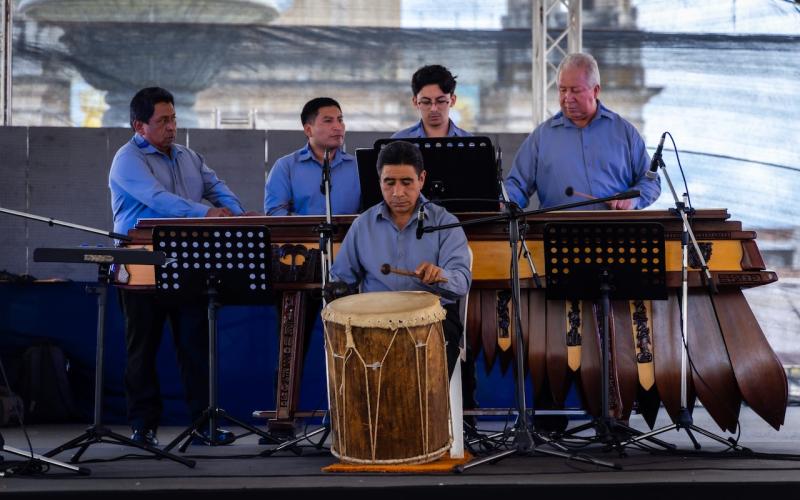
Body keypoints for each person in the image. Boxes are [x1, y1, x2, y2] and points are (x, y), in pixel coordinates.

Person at [109, 86, 255, 447]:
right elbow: (157, 200)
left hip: (187, 260)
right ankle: (143, 427)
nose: (172, 126)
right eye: (162, 121)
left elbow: (216, 186)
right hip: (140, 263)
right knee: (141, 349)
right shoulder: (127, 159)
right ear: (139, 126)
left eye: (173, 118)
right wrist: (205, 213)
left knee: (195, 344)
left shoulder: (189, 156)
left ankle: (204, 423)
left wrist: (236, 215)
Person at [330, 140, 471, 377]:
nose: (397, 192)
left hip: (433, 320)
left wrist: (440, 276)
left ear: (422, 179)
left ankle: (427, 415)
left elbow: (462, 281)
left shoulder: (444, 222)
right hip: (373, 322)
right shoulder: (362, 225)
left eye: (407, 182)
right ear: (379, 181)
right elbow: (342, 279)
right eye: (389, 183)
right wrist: (335, 292)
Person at [504, 52, 661, 210]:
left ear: (595, 91)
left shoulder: (624, 132)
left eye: (575, 90)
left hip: (616, 230)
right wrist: (504, 202)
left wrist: (631, 200)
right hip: (558, 231)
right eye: (562, 90)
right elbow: (516, 185)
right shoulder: (541, 137)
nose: (567, 97)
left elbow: (651, 182)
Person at [264, 97, 361, 215]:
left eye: (340, 120)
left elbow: (371, 212)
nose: (338, 127)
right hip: (300, 233)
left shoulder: (358, 167)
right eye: (328, 121)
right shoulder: (286, 167)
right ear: (308, 130)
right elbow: (275, 212)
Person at [392, 65, 471, 139]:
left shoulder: (470, 143)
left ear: (452, 101)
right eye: (426, 102)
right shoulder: (399, 141)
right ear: (415, 102)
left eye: (441, 101)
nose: (434, 109)